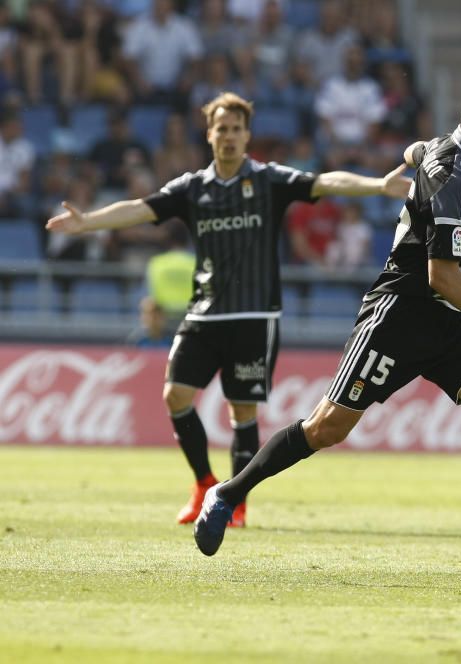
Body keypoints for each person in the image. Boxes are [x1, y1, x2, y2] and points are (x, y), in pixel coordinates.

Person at [192, 69, 461, 582]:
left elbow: (415, 150)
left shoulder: (451, 154)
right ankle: (227, 493)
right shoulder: (456, 175)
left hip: (444, 325)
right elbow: (442, 275)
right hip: (399, 316)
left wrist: (413, 155)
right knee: (327, 427)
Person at [46, 92, 411, 530]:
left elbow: (325, 182)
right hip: (203, 314)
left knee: (242, 413)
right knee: (175, 395)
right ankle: (203, 483)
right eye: (222, 128)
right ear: (210, 134)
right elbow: (141, 210)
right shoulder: (192, 188)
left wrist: (377, 185)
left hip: (253, 318)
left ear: (247, 135)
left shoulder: (269, 180)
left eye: (237, 128)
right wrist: (88, 222)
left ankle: (234, 502)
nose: (230, 136)